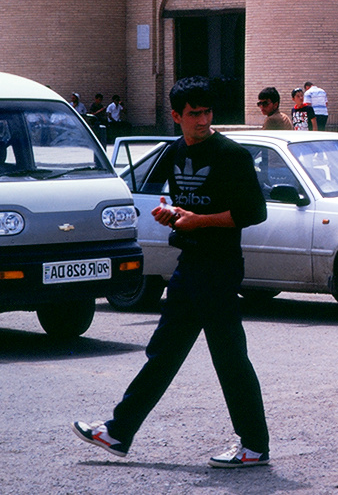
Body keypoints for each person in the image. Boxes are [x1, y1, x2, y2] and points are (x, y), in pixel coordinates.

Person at [73, 76, 270, 468]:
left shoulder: (231, 155)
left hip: (219, 268)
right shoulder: (175, 152)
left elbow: (254, 212)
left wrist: (199, 221)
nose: (202, 120)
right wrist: (174, 216)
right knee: (163, 352)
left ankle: (254, 446)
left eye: (207, 112)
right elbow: (181, 205)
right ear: (176, 116)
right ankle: (119, 432)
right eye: (193, 114)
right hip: (190, 263)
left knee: (229, 357)